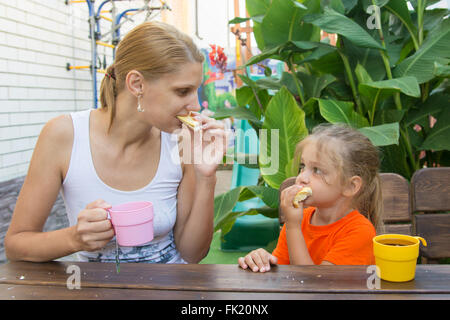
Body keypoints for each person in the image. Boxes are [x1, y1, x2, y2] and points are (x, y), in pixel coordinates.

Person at [5, 21, 227, 264]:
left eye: (195, 91)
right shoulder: (63, 135)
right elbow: (16, 245)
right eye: (183, 91)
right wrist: (74, 239)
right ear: (137, 84)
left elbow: (192, 254)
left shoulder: (182, 142)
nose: (196, 106)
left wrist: (207, 177)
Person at [238, 123, 383, 272]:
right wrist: (263, 260)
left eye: (317, 170)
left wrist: (293, 226)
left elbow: (316, 284)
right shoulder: (301, 218)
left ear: (350, 186)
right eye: (302, 166)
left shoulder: (360, 232)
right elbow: (280, 270)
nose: (301, 177)